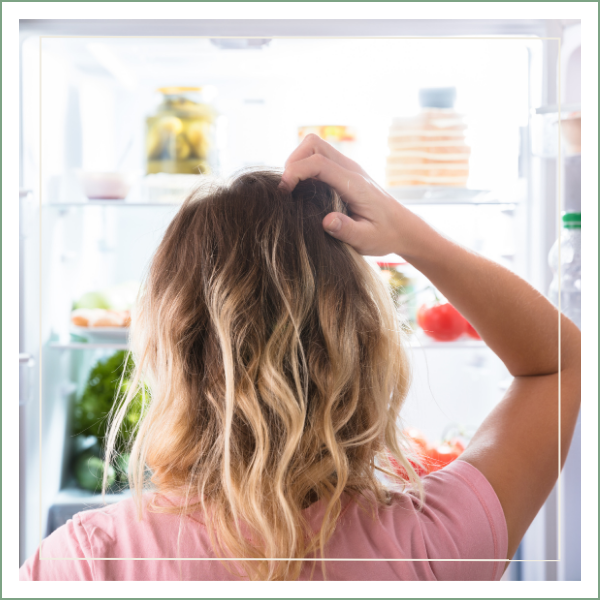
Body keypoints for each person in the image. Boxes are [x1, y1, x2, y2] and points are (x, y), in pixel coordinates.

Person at [19, 135, 581, 581]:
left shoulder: (88, 559)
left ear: (168, 348)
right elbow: (562, 362)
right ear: (363, 343)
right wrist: (409, 235)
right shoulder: (434, 542)